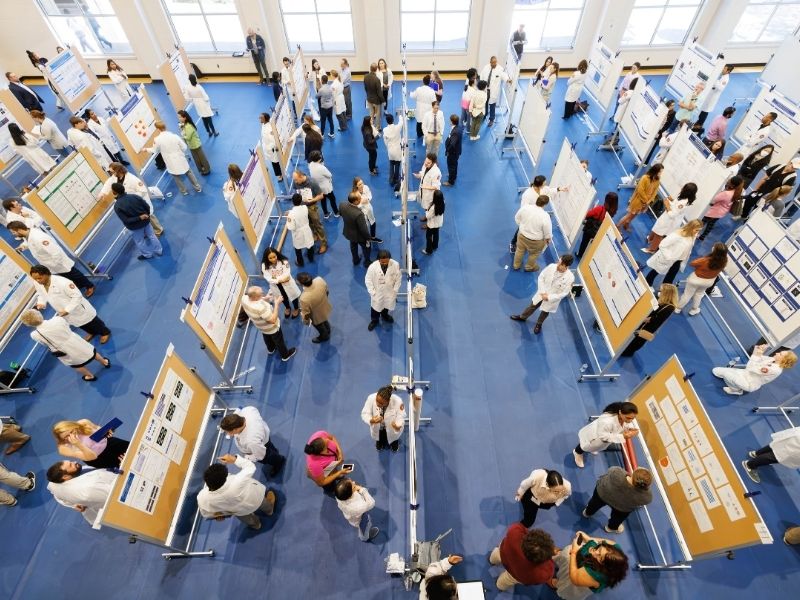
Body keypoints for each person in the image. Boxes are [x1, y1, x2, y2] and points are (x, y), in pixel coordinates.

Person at [21, 309, 110, 382]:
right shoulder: (57, 319)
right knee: (91, 352)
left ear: (28, 324)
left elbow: (44, 343)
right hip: (74, 340)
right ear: (39, 314)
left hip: (62, 350)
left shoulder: (35, 334)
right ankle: (105, 362)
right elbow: (67, 326)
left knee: (76, 365)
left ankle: (90, 375)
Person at [6, 221, 94, 294]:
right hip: (52, 264)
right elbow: (28, 242)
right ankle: (80, 285)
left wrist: (56, 264)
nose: (14, 234)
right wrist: (23, 246)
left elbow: (54, 251)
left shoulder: (38, 237)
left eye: (14, 232)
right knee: (68, 276)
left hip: (58, 262)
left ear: (20, 230)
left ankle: (89, 286)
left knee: (74, 274)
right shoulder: (28, 234)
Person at [29, 264, 111, 342]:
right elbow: (41, 294)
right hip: (63, 310)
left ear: (46, 274)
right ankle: (92, 332)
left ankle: (105, 332)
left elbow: (77, 296)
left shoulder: (63, 282)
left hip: (77, 308)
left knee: (91, 321)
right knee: (78, 323)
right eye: (35, 279)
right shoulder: (37, 283)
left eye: (39, 278)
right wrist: (41, 303)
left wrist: (67, 310)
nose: (37, 281)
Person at [197, 454, 277, 530]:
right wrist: (234, 459)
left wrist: (216, 516)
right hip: (254, 499)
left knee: (247, 519)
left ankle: (256, 525)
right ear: (225, 477)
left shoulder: (201, 497)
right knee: (264, 504)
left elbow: (205, 513)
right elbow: (250, 466)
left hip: (238, 511)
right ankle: (269, 510)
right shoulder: (237, 481)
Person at [551, 532, 629, 599]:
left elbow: (575, 577)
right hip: (583, 560)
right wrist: (588, 538)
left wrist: (574, 552)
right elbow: (606, 542)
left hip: (577, 578)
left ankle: (556, 584)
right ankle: (560, 556)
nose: (594, 552)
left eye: (600, 558)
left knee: (565, 581)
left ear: (605, 567)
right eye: (599, 550)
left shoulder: (596, 575)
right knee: (565, 555)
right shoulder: (615, 551)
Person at [510, 253, 575, 333]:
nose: (557, 264)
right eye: (559, 261)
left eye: (560, 264)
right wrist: (542, 292)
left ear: (566, 266)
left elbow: (564, 293)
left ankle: (539, 324)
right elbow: (541, 277)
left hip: (551, 299)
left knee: (545, 312)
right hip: (541, 293)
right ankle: (522, 317)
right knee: (532, 306)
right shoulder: (551, 266)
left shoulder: (570, 278)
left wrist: (549, 297)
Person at [220, 406, 286, 477]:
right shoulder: (248, 410)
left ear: (235, 429)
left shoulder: (251, 441)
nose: (228, 434)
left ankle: (279, 461)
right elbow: (239, 410)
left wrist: (248, 457)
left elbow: (261, 455)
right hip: (264, 435)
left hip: (259, 446)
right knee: (271, 447)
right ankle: (275, 452)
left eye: (228, 432)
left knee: (269, 456)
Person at [100, 162, 163, 235]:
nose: (112, 174)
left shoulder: (132, 179)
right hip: (129, 203)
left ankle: (159, 230)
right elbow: (108, 183)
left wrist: (132, 198)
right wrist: (103, 192)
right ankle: (146, 233)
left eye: (112, 172)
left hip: (137, 201)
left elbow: (143, 190)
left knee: (149, 216)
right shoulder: (115, 177)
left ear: (118, 171)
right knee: (138, 218)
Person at [583, 467, 653, 533]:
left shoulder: (617, 473)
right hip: (622, 507)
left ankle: (587, 513)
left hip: (603, 494)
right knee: (618, 518)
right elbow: (647, 500)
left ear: (633, 474)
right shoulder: (646, 497)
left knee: (594, 503)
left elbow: (610, 470)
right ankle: (611, 528)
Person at [489, 526, 556, 592]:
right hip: (516, 575)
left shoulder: (515, 533)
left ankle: (492, 561)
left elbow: (520, 528)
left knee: (496, 555)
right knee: (506, 580)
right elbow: (547, 573)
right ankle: (499, 586)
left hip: (503, 554)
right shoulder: (545, 572)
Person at [573, 402, 639, 468]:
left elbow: (620, 427)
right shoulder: (608, 422)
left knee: (593, 447)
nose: (630, 421)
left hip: (602, 439)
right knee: (584, 445)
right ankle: (577, 452)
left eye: (633, 418)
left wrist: (628, 429)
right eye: (628, 418)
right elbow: (603, 436)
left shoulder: (622, 419)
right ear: (620, 412)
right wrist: (623, 436)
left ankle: (591, 449)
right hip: (594, 437)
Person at [45, 461, 115, 523]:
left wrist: (73, 505)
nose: (75, 462)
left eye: (71, 462)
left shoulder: (54, 483)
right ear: (65, 476)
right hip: (111, 497)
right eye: (70, 465)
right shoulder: (87, 490)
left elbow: (56, 494)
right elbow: (114, 494)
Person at [240, 285, 296, 362]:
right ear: (256, 297)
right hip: (272, 328)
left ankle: (271, 349)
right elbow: (272, 320)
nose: (263, 293)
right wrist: (277, 304)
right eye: (261, 294)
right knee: (279, 341)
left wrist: (264, 298)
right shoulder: (261, 308)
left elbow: (253, 299)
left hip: (261, 327)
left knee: (266, 336)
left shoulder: (244, 298)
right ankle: (285, 355)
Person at [712, 345, 796, 396]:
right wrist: (758, 350)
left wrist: (757, 354)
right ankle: (734, 381)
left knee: (727, 374)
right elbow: (759, 357)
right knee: (715, 371)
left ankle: (736, 390)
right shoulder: (772, 359)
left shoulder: (775, 369)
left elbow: (750, 367)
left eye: (780, 354)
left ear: (783, 360)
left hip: (749, 383)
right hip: (745, 373)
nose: (777, 353)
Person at [621, 283, 678, 357]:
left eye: (661, 291)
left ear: (666, 294)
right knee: (634, 336)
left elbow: (658, 319)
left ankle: (628, 352)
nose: (659, 292)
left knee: (639, 339)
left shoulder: (670, 307)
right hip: (645, 321)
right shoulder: (660, 299)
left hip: (649, 327)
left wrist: (645, 319)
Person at [146, 121, 202, 196]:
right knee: (188, 172)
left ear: (157, 129)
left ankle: (184, 191)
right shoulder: (175, 136)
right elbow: (184, 148)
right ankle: (198, 188)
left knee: (176, 176)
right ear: (165, 126)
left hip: (170, 161)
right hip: (180, 158)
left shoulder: (157, 139)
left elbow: (154, 150)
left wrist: (146, 149)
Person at [110, 182, 163, 260]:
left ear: (114, 192)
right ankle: (159, 251)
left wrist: (139, 218)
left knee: (140, 241)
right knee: (152, 236)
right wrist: (146, 216)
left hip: (135, 227)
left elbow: (126, 220)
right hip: (146, 222)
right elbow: (147, 206)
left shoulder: (117, 206)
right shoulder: (135, 196)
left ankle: (147, 255)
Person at [644, 220, 702, 287]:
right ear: (691, 227)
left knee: (671, 276)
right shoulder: (677, 234)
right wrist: (668, 257)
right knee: (656, 271)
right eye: (697, 230)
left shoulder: (693, 235)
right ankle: (647, 284)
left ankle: (664, 290)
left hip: (679, 260)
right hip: (669, 258)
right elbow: (663, 244)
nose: (698, 232)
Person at [643, 183, 697, 253]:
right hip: (666, 218)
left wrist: (667, 205)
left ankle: (652, 249)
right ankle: (651, 240)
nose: (682, 188)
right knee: (656, 229)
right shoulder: (682, 197)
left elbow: (672, 214)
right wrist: (672, 200)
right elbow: (675, 206)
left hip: (669, 220)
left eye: (684, 187)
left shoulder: (683, 203)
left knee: (659, 234)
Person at [52, 419, 128, 469]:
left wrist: (108, 432)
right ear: (61, 439)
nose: (71, 436)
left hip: (110, 443)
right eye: (66, 436)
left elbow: (98, 428)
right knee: (123, 468)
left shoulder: (83, 423)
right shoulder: (63, 449)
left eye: (71, 432)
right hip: (99, 459)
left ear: (73, 426)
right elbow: (92, 457)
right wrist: (78, 444)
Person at [676, 243, 728, 315]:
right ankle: (694, 309)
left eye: (714, 247)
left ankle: (678, 308)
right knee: (699, 294)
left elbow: (692, 263)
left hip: (695, 280)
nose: (712, 247)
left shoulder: (705, 260)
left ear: (715, 251)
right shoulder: (724, 262)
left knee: (687, 294)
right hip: (708, 282)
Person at [617, 163, 663, 232]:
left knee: (635, 215)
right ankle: (618, 225)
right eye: (660, 172)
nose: (661, 174)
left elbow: (654, 193)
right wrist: (645, 200)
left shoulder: (657, 181)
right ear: (656, 171)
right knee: (630, 214)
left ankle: (626, 224)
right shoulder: (645, 178)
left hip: (645, 203)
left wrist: (648, 202)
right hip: (638, 200)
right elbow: (640, 190)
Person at [513, 195, 552, 272]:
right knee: (534, 254)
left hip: (522, 236)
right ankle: (529, 267)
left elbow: (517, 218)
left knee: (519, 250)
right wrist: (548, 239)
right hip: (536, 241)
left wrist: (522, 226)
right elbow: (547, 232)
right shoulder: (545, 216)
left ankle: (516, 265)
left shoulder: (525, 208)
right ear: (545, 204)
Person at [361, 385, 405, 451]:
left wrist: (397, 426)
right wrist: (371, 420)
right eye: (377, 401)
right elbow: (365, 413)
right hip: (379, 428)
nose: (378, 404)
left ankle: (394, 444)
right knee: (379, 439)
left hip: (392, 428)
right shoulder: (371, 398)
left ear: (388, 401)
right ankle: (380, 443)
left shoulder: (398, 401)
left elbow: (401, 416)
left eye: (381, 403)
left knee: (393, 440)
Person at [293, 169, 327, 254]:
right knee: (308, 223)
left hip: (312, 206)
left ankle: (323, 243)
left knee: (317, 224)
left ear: (301, 177)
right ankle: (315, 235)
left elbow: (321, 196)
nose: (295, 182)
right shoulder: (296, 183)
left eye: (296, 180)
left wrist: (312, 200)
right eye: (294, 180)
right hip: (302, 207)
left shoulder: (312, 182)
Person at [365, 250, 401, 331]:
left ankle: (385, 316)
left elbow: (398, 279)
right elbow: (368, 280)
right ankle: (374, 320)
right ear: (378, 260)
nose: (385, 264)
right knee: (375, 308)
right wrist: (373, 292)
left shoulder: (395, 265)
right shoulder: (373, 267)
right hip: (377, 293)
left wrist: (395, 291)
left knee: (386, 306)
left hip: (389, 292)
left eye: (386, 262)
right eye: (382, 262)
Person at [261, 247, 301, 319]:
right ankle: (287, 308)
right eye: (270, 258)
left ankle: (296, 308)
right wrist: (279, 280)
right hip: (276, 286)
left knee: (293, 296)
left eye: (274, 257)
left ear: (277, 255)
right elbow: (268, 277)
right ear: (267, 258)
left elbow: (287, 274)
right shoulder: (264, 265)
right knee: (282, 297)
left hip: (287, 284)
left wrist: (276, 279)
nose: (273, 259)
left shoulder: (284, 261)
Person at [576, 192, 619, 258]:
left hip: (589, 229)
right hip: (599, 231)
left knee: (584, 242)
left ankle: (580, 254)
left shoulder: (599, 209)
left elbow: (588, 214)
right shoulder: (613, 212)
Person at [297, 272, 332, 343]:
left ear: (301, 284)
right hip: (325, 307)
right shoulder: (319, 280)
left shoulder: (304, 298)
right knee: (325, 320)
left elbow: (306, 313)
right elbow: (327, 291)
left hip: (316, 316)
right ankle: (328, 329)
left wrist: (306, 321)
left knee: (319, 326)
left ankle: (324, 336)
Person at [341, 192, 372, 267]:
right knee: (366, 247)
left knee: (353, 245)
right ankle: (367, 262)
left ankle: (355, 260)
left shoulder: (342, 204)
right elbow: (363, 229)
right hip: (360, 236)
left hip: (349, 232)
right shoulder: (359, 214)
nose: (361, 199)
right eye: (360, 198)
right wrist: (368, 238)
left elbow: (341, 214)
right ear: (355, 201)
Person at [479, 56, 511, 126]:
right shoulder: (486, 67)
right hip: (485, 89)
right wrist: (481, 85)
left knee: (492, 105)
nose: (494, 64)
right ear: (490, 62)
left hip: (493, 91)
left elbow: (503, 75)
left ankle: (491, 119)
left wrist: (508, 79)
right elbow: (481, 75)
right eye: (493, 62)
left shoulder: (500, 69)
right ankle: (485, 115)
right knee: (485, 103)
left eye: (495, 62)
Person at [177, 110, 210, 176]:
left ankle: (207, 169)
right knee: (197, 159)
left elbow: (188, 137)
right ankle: (202, 169)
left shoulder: (188, 126)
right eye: (178, 117)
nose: (179, 119)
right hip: (191, 145)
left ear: (185, 118)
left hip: (196, 145)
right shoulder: (185, 125)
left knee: (201, 158)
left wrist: (182, 136)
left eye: (180, 117)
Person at [308, 151, 339, 218]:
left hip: (318, 187)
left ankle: (326, 213)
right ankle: (336, 212)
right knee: (332, 199)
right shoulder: (321, 168)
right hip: (326, 187)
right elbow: (330, 175)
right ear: (319, 158)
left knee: (323, 200)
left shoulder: (310, 164)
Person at [286, 194, 314, 266]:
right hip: (306, 229)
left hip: (297, 233)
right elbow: (299, 211)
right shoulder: (305, 207)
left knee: (298, 248)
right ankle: (311, 257)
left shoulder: (291, 214)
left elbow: (291, 227)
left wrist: (288, 216)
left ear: (292, 202)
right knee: (309, 244)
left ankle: (300, 262)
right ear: (301, 200)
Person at [353, 176, 381, 243]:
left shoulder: (366, 187)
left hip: (369, 209)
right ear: (356, 186)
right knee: (364, 227)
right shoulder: (354, 194)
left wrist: (367, 199)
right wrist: (361, 203)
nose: (362, 185)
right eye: (359, 184)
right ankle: (366, 240)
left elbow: (370, 195)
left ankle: (373, 237)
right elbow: (354, 205)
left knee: (373, 222)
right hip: (361, 212)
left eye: (362, 183)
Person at [258, 113, 283, 182]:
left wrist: (270, 148)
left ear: (265, 119)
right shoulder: (263, 125)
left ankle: (280, 175)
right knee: (274, 161)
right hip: (267, 147)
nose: (259, 119)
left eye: (261, 118)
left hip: (272, 149)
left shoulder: (269, 129)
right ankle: (280, 173)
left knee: (275, 162)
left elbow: (273, 140)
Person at [422, 189, 445, 255]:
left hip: (432, 225)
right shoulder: (443, 202)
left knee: (428, 237)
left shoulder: (433, 208)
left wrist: (427, 210)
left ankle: (429, 250)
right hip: (438, 223)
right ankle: (435, 246)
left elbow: (428, 216)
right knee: (436, 234)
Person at [442, 114, 462, 187]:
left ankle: (451, 181)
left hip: (452, 153)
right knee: (454, 164)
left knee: (451, 165)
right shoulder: (458, 127)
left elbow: (452, 144)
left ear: (452, 121)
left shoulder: (455, 132)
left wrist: (448, 151)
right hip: (456, 151)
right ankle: (453, 175)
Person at [383, 113, 402, 187]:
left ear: (387, 121)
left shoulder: (385, 130)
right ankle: (396, 179)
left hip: (390, 150)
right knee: (397, 164)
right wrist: (400, 116)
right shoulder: (397, 128)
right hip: (397, 150)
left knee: (391, 164)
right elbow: (401, 122)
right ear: (393, 120)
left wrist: (388, 147)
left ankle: (391, 180)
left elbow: (385, 141)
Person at [364, 62, 383, 131]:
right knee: (377, 114)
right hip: (376, 100)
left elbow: (365, 88)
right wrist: (383, 100)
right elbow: (379, 92)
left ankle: (371, 126)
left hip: (369, 98)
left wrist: (368, 95)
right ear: (376, 69)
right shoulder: (377, 79)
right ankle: (378, 127)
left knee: (371, 113)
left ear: (370, 69)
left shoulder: (365, 76)